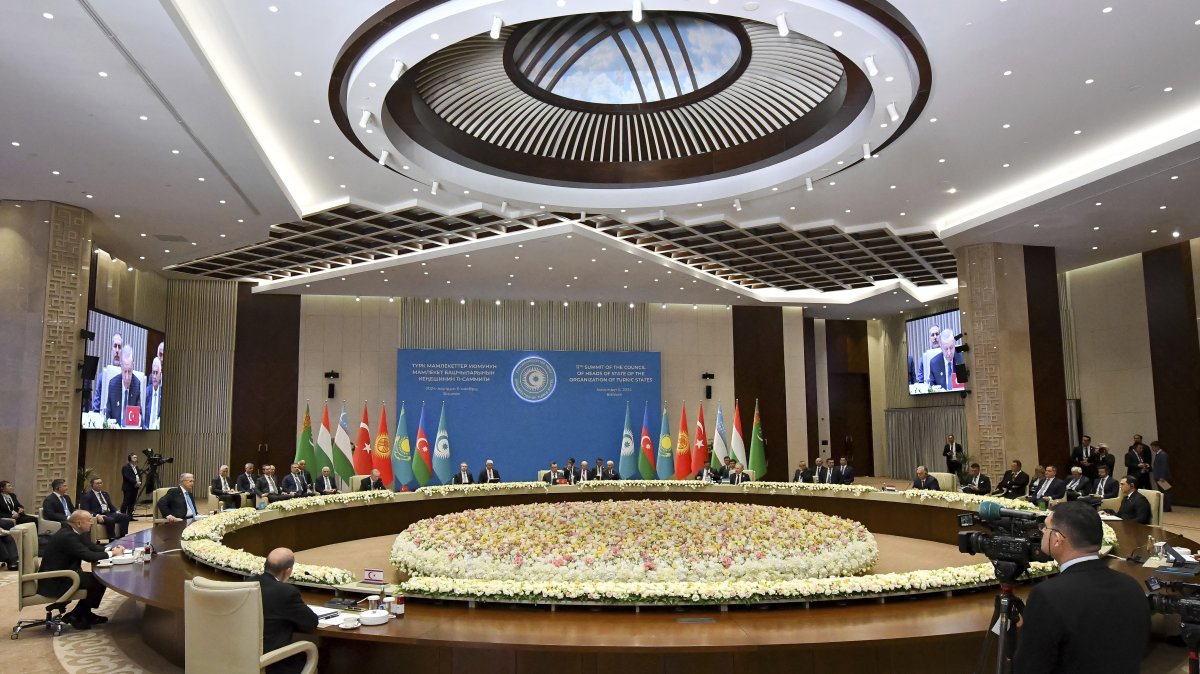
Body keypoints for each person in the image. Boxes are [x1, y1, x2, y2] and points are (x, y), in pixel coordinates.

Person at [1012, 501, 1150, 673]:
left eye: (1045, 527)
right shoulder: (1132, 586)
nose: (1041, 532)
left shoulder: (1048, 595)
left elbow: (1030, 667)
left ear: (1058, 539)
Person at [38, 510, 125, 630]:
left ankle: (83, 614)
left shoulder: (74, 531)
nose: (92, 523)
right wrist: (113, 554)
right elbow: (88, 556)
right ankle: (77, 615)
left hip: (67, 573)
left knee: (97, 578)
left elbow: (90, 547)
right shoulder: (67, 536)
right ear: (78, 523)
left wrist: (110, 549)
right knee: (97, 580)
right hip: (56, 580)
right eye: (89, 520)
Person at [255, 548, 318, 674]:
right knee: (321, 656)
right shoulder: (286, 592)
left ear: (265, 565)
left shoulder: (248, 583)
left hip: (242, 659)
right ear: (288, 571)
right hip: (273, 663)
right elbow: (311, 623)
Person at [105, 345, 143, 427]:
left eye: (129, 371)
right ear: (121, 366)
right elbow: (107, 415)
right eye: (124, 371)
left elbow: (140, 416)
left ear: (133, 366)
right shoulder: (113, 384)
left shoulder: (136, 384)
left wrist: (139, 420)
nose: (126, 377)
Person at [91, 332, 124, 414]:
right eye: (115, 346)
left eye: (119, 347)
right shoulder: (102, 377)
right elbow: (96, 408)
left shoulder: (126, 377)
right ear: (111, 350)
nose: (117, 350)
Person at [1150, 440, 1172, 513]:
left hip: (1162, 477)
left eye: (1153, 447)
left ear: (1157, 447)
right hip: (1159, 477)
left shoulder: (1162, 454)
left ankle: (1167, 507)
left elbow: (1164, 466)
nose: (1152, 449)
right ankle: (1165, 506)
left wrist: (1162, 477)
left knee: (1165, 492)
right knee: (1162, 492)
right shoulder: (1158, 454)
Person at [143, 356, 163, 430]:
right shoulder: (146, 393)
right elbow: (141, 417)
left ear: (160, 375)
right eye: (153, 373)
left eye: (156, 373)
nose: (154, 376)